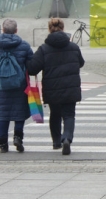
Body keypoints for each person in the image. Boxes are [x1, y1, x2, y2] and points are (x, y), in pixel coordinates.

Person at [27, 18, 84, 156]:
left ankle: (57, 141)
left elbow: (33, 68)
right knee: (69, 115)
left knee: (55, 114)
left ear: (49, 29)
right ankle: (67, 138)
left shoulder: (44, 49)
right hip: (71, 87)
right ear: (63, 28)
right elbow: (80, 63)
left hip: (52, 88)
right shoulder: (74, 47)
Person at [0, 19, 33, 153]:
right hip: (20, 85)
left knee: (2, 114)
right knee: (19, 112)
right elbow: (32, 66)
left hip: (1, 86)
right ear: (16, 30)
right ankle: (18, 137)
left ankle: (2, 144)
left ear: (3, 30)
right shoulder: (24, 45)